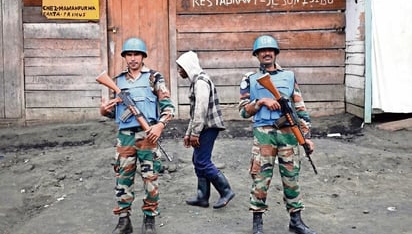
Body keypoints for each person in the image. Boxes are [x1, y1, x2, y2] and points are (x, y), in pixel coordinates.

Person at [238, 35, 317, 234]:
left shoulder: (289, 76)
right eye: (262, 51)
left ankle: (296, 221)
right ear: (256, 55)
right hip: (263, 135)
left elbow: (300, 108)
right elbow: (242, 111)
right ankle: (258, 223)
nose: (267, 53)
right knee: (261, 178)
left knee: (291, 177)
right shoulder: (250, 79)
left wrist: (306, 137)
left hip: (289, 134)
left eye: (270, 50)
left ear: (275, 53)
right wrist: (261, 102)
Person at [99, 37, 175, 234]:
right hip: (125, 137)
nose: (133, 58)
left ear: (143, 57)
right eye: (129, 55)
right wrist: (103, 110)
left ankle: (149, 220)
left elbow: (168, 107)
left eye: (137, 54)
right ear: (125, 57)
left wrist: (159, 125)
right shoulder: (118, 81)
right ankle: (124, 221)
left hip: (147, 135)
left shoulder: (154, 78)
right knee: (123, 178)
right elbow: (113, 112)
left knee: (150, 178)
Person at [176, 51, 235, 209]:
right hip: (203, 127)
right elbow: (194, 112)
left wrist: (195, 133)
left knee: (203, 161)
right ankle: (202, 197)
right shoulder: (196, 81)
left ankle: (226, 190)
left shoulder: (201, 82)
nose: (179, 71)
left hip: (208, 127)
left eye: (180, 68)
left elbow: (201, 110)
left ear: (188, 67)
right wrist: (189, 134)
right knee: (197, 160)